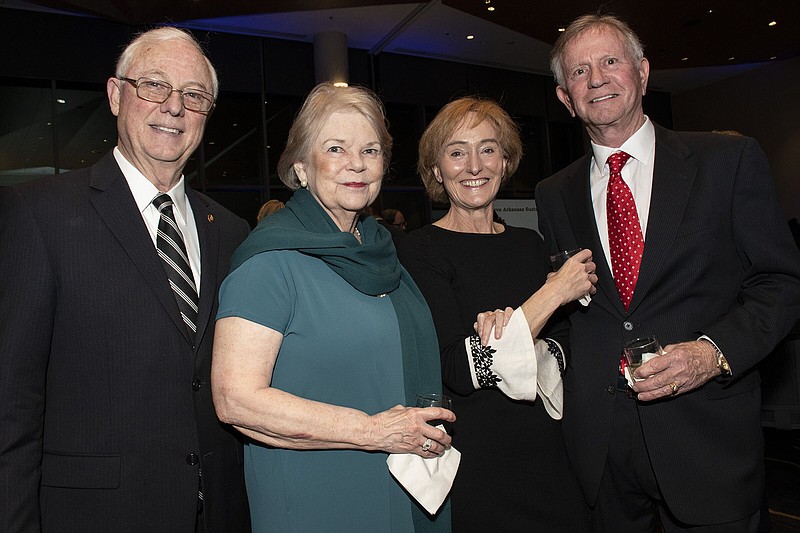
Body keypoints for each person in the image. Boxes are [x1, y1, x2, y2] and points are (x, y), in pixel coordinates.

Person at [535, 14, 800, 532]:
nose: (597, 79)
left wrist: (713, 353)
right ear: (566, 98)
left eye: (610, 61)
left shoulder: (727, 160)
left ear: (643, 72)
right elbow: (575, 313)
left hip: (709, 443)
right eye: (580, 72)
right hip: (603, 458)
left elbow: (781, 284)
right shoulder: (553, 194)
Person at [0, 27, 251, 533]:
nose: (174, 107)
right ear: (116, 96)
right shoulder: (37, 214)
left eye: (194, 95)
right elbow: (12, 403)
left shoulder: (230, 230)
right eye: (155, 85)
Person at [211, 82, 454, 532]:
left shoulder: (383, 252)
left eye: (371, 150)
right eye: (336, 148)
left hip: (399, 486)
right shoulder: (270, 262)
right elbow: (235, 400)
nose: (356, 164)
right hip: (315, 499)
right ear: (301, 167)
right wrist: (373, 432)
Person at [396, 96, 595, 531]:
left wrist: (515, 340)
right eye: (456, 152)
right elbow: (458, 368)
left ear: (505, 163)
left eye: (487, 149)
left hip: (550, 453)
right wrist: (551, 294)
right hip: (479, 464)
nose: (473, 166)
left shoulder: (529, 244)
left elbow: (565, 347)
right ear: (435, 170)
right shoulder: (417, 250)